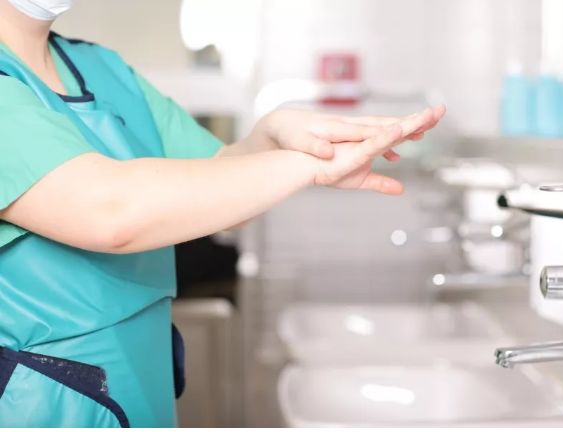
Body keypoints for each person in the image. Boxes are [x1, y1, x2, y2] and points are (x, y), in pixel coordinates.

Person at [0, 0, 445, 427]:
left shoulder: (103, 69)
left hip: (139, 387)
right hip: (40, 403)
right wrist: (305, 166)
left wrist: (269, 137)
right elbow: (110, 211)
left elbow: (219, 184)